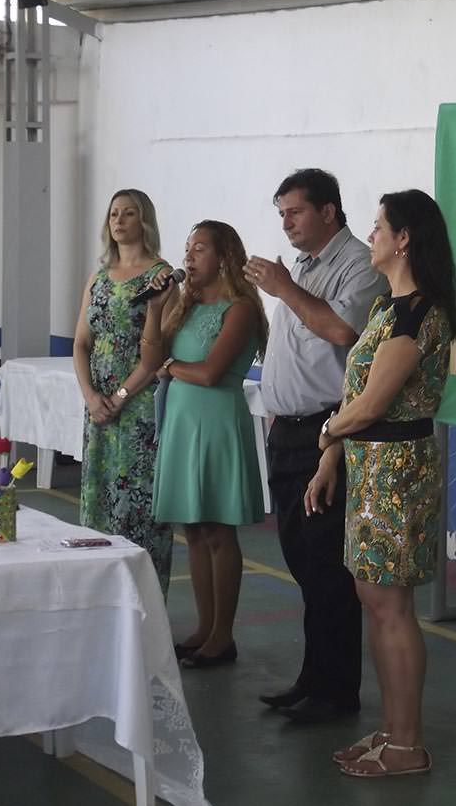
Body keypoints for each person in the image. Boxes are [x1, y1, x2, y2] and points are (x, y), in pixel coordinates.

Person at [304, 189, 456, 778]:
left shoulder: (420, 314)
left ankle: (408, 744)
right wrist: (332, 456)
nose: (370, 236)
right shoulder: (386, 309)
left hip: (398, 474)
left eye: (377, 227)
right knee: (375, 601)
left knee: (392, 607)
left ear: (404, 239)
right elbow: (356, 398)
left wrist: (326, 434)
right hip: (370, 469)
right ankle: (392, 729)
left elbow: (371, 405)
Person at [244, 168, 388, 723]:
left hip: (328, 432)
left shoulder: (357, 264)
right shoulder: (302, 267)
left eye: (296, 212)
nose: (286, 223)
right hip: (289, 429)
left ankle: (336, 692)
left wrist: (284, 289)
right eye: (281, 214)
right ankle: (313, 678)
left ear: (328, 211)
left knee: (328, 567)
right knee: (303, 563)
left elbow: (342, 332)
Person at [154, 220, 269, 669]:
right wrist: (156, 308)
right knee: (195, 530)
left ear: (223, 257)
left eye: (199, 248)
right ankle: (204, 628)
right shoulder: (186, 305)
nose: (188, 256)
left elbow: (209, 373)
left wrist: (170, 366)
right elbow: (150, 354)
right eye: (187, 247)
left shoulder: (239, 309)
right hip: (183, 422)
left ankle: (223, 635)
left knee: (219, 531)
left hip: (216, 422)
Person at [73, 189, 176, 595]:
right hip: (99, 409)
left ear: (143, 220)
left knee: (138, 507)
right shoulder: (98, 278)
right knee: (99, 504)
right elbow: (81, 343)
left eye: (128, 213)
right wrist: (90, 396)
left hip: (139, 407)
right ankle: (100, 600)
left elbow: (159, 351)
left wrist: (119, 396)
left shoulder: (160, 277)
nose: (118, 220)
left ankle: (143, 603)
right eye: (114, 213)